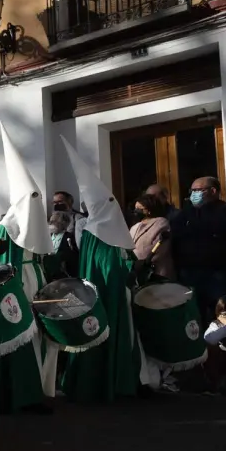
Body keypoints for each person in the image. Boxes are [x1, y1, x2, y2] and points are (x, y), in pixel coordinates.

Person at [60, 138, 157, 402]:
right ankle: (119, 382)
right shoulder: (100, 232)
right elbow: (109, 268)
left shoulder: (101, 230)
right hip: (112, 294)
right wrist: (131, 269)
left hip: (111, 293)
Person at [0, 124, 55, 409]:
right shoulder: (6, 227)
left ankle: (40, 388)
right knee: (20, 338)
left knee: (40, 337)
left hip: (35, 280)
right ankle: (20, 394)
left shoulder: (36, 223)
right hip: (16, 284)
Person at [171, 176, 226, 322]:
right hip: (190, 272)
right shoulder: (186, 213)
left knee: (221, 313)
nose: (194, 194)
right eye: (192, 190)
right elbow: (177, 236)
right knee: (194, 314)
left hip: (218, 273)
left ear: (213, 191)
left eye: (198, 190)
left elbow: (224, 235)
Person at [129, 194, 174, 281]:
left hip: (157, 272)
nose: (136, 211)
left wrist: (143, 260)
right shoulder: (135, 226)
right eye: (135, 208)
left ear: (149, 209)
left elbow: (160, 248)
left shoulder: (161, 223)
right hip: (138, 273)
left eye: (139, 209)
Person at [44, 211, 78, 282]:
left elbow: (73, 255)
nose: (50, 224)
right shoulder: (48, 236)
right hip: (48, 273)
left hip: (63, 274)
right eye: (50, 221)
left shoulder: (69, 237)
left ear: (63, 224)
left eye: (54, 222)